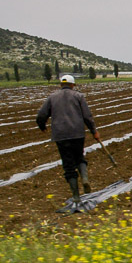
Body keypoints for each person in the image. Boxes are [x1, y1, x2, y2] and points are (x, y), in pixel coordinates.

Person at [36, 74, 100, 204]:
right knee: (80, 157)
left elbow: (41, 115)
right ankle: (85, 179)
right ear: (73, 85)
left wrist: (42, 126)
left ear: (61, 85)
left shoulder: (52, 97)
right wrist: (94, 131)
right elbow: (87, 116)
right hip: (77, 133)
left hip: (60, 135)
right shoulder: (78, 96)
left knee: (68, 165)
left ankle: (76, 196)